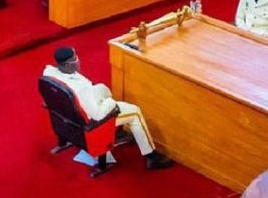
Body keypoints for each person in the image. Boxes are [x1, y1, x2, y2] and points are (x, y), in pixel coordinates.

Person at [43, 47, 175, 170]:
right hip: (90, 119)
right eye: (75, 59)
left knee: (103, 89)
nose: (79, 60)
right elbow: (98, 116)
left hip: (70, 112)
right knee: (134, 112)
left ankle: (116, 131)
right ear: (67, 65)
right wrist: (110, 103)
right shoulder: (82, 88)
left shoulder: (49, 71)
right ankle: (151, 156)